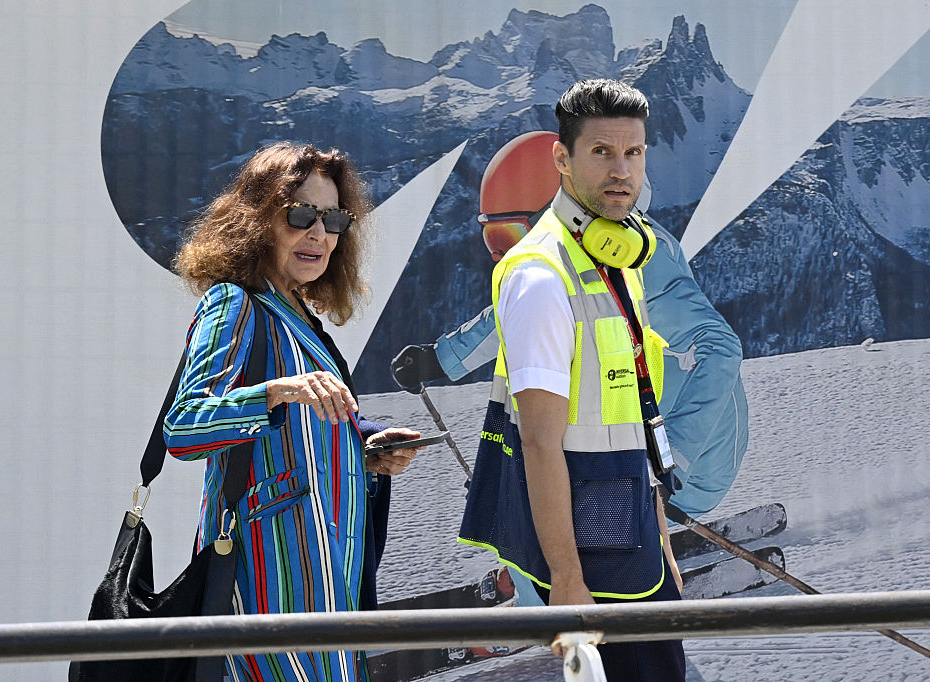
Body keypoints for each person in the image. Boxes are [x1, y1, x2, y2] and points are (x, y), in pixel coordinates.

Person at [164, 142, 423, 682]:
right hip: (267, 586)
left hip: (328, 585)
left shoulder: (301, 314)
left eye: (333, 219)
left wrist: (366, 449)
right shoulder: (234, 302)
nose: (319, 234)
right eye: (301, 214)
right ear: (258, 221)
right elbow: (185, 427)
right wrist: (275, 392)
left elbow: (301, 442)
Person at [391, 130, 746, 519]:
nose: (507, 255)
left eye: (512, 235)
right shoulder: (562, 259)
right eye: (494, 237)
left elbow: (719, 350)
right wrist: (440, 359)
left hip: (692, 465)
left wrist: (670, 464)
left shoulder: (640, 264)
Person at [458, 79, 686, 681]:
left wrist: (658, 537)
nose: (621, 170)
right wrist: (566, 579)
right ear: (563, 158)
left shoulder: (614, 260)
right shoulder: (541, 276)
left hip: (629, 532)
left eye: (633, 153)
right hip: (591, 557)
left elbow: (630, 415)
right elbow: (538, 441)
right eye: (601, 152)